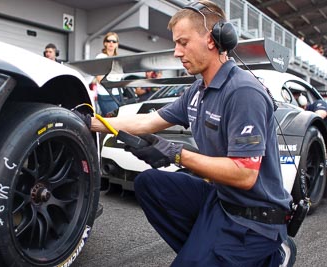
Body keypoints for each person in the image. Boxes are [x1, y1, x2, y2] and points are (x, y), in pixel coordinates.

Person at [86, 1, 295, 266]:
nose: (176, 52)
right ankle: (205, 250)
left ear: (212, 39)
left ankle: (270, 256)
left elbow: (244, 174)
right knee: (149, 184)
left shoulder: (244, 92)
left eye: (183, 42)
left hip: (254, 219)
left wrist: (175, 154)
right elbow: (149, 121)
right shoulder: (197, 92)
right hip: (222, 199)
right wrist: (91, 122)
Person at [94, 32, 122, 116]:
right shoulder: (100, 57)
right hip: (105, 95)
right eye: (109, 41)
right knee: (113, 120)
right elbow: (100, 79)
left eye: (114, 41)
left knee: (114, 121)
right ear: (105, 43)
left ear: (117, 44)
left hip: (118, 95)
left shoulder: (119, 59)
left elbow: (120, 78)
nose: (111, 43)